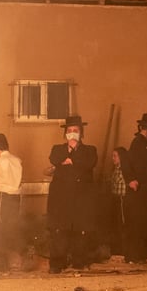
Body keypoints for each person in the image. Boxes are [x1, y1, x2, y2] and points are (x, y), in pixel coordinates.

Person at [47, 115, 98, 273]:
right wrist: (71, 155)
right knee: (59, 231)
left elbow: (89, 162)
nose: (72, 133)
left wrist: (71, 158)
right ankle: (57, 264)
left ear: (81, 133)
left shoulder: (90, 150)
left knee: (80, 231)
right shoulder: (58, 149)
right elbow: (55, 159)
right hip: (61, 199)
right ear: (65, 134)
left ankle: (79, 262)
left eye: (76, 130)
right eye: (69, 130)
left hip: (81, 199)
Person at [123, 112, 147, 264]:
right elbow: (127, 164)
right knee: (139, 223)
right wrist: (131, 179)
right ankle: (135, 255)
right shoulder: (137, 143)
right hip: (139, 191)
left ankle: (143, 255)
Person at [0, 133, 25, 273]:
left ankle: (2, 264)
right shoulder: (17, 160)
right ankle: (15, 262)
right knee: (12, 227)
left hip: (3, 197)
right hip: (16, 198)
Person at [108, 146, 129, 259]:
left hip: (122, 200)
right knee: (116, 226)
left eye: (115, 156)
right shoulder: (115, 169)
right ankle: (117, 250)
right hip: (115, 199)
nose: (113, 158)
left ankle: (123, 251)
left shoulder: (124, 169)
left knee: (122, 225)